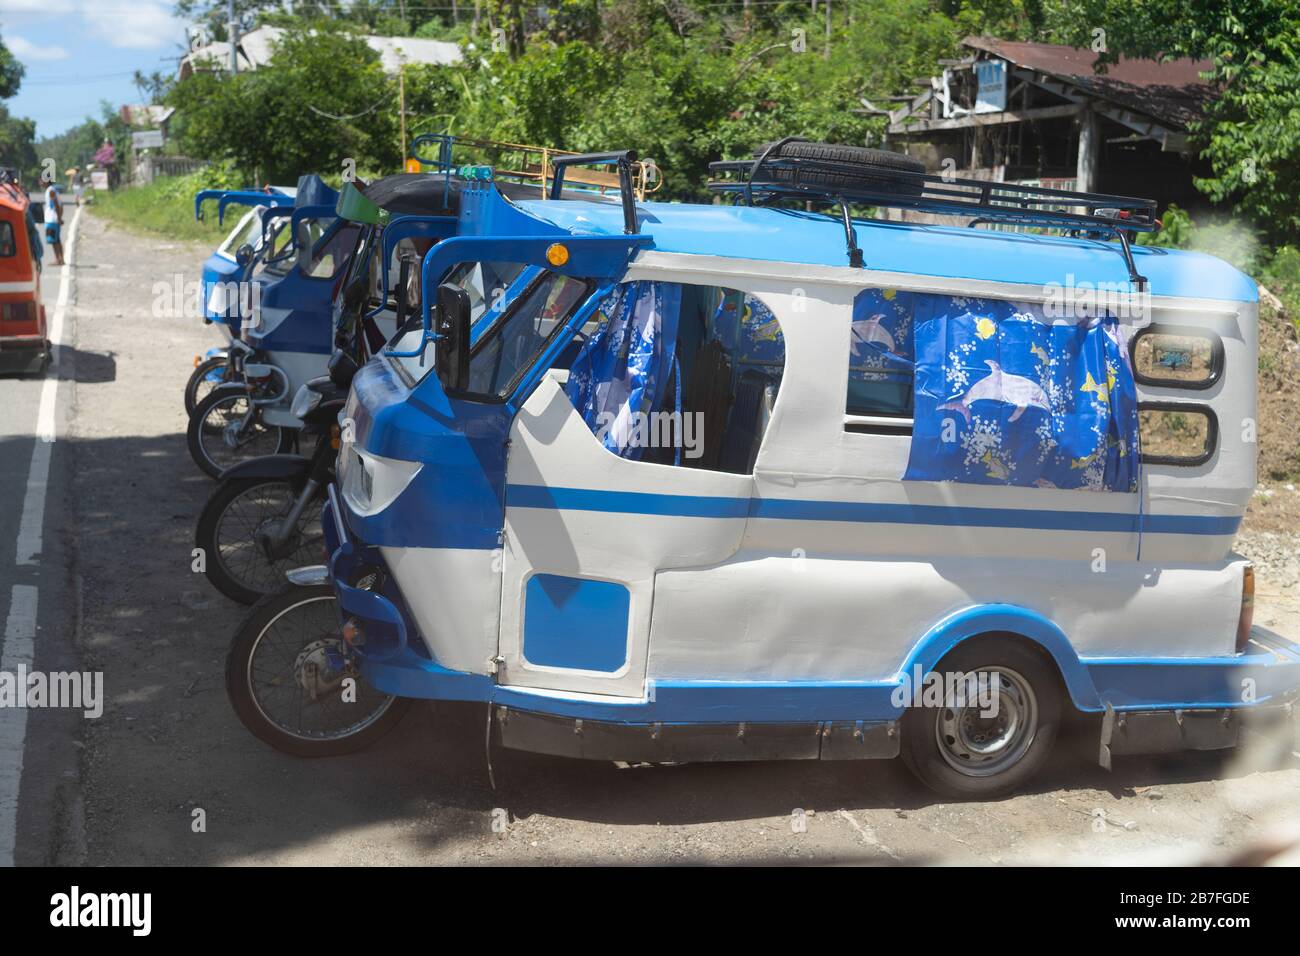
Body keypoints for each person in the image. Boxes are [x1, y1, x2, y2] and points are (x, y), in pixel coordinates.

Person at [43, 179, 64, 266]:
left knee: (54, 240)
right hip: (52, 218)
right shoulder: (52, 190)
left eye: (41, 180)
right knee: (56, 240)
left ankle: (58, 259)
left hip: (52, 219)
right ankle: (60, 259)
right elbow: (61, 205)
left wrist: (59, 218)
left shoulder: (51, 190)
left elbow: (56, 204)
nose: (40, 182)